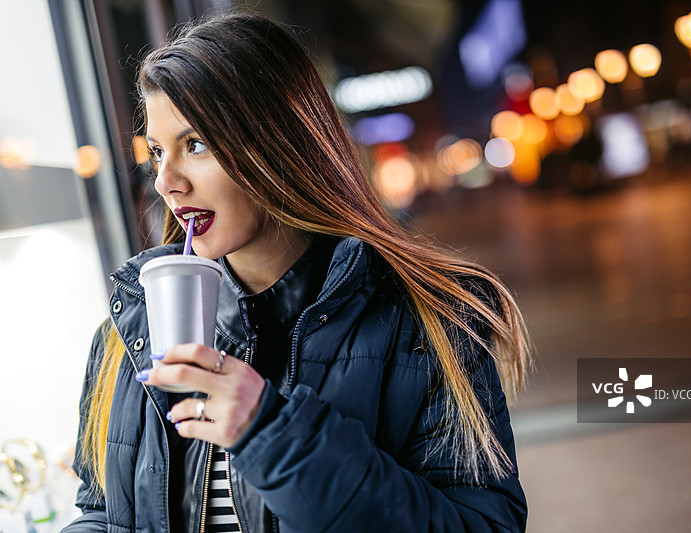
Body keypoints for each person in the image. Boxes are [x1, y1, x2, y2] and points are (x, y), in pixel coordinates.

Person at [64, 11, 533, 533]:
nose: (166, 183)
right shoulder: (128, 330)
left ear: (275, 144)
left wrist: (270, 433)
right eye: (157, 152)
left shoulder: (429, 322)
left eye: (195, 144)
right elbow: (103, 514)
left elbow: (485, 526)